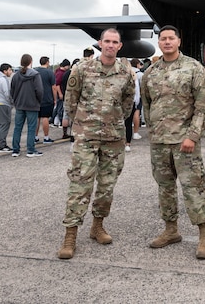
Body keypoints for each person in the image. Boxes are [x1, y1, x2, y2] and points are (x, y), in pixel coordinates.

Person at [57, 29, 136, 260]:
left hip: (113, 137)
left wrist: (114, 122)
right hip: (87, 136)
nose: (110, 45)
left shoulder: (125, 73)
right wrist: (81, 124)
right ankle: (70, 235)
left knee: (107, 186)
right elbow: (71, 100)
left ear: (120, 46)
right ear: (99, 43)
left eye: (115, 42)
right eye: (107, 41)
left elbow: (128, 104)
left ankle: (97, 226)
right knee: (79, 184)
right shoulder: (82, 68)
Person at [141, 25, 205, 259]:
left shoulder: (194, 68)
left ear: (179, 41)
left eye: (171, 38)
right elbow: (147, 105)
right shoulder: (150, 71)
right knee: (165, 188)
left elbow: (203, 107)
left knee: (194, 187)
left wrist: (192, 135)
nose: (167, 42)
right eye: (163, 39)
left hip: (185, 141)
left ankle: (204, 235)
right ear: (159, 42)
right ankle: (171, 230)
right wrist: (153, 133)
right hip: (160, 141)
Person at [10, 54, 44, 157]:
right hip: (32, 105)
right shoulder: (35, 75)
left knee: (18, 128)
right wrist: (38, 101)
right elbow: (40, 90)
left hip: (20, 105)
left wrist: (15, 101)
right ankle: (30, 150)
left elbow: (12, 90)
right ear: (31, 61)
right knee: (31, 128)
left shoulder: (16, 75)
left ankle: (15, 150)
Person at [35, 56, 56, 144]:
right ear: (47, 62)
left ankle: (35, 137)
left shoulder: (35, 71)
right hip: (47, 98)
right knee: (45, 118)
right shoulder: (50, 72)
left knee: (36, 118)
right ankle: (46, 137)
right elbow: (53, 87)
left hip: (36, 98)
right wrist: (55, 99)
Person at [52, 59, 71, 128]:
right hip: (59, 92)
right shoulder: (61, 73)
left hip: (57, 92)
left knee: (57, 107)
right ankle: (59, 122)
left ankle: (55, 121)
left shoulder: (57, 71)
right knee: (60, 108)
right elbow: (57, 84)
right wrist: (60, 93)